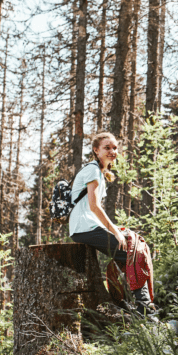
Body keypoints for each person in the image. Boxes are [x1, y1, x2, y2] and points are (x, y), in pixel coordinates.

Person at [68, 132, 152, 312]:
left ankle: (130, 304)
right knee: (132, 253)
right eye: (107, 148)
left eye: (114, 148)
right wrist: (115, 231)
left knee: (133, 243)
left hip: (87, 226)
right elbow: (94, 206)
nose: (112, 151)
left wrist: (118, 231)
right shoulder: (92, 170)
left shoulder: (98, 171)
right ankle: (145, 310)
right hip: (84, 227)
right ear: (96, 150)